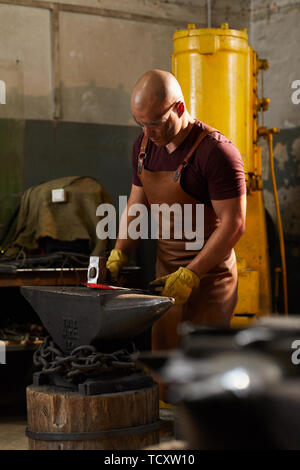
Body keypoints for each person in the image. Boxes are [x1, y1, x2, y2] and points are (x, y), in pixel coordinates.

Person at [106, 69, 246, 354]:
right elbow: (136, 206)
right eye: (140, 123)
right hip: (165, 278)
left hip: (209, 280)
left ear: (179, 108)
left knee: (202, 375)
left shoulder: (217, 152)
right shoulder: (143, 146)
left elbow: (234, 224)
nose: (147, 132)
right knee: (167, 373)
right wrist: (119, 254)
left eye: (155, 123)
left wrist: (190, 275)